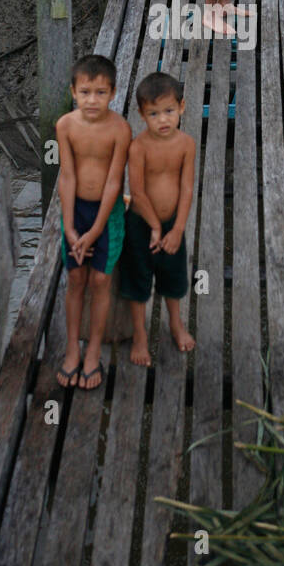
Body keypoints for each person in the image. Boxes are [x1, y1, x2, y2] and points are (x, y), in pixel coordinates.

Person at [55, 54, 131, 390]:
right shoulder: (65, 126)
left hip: (107, 214)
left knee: (100, 280)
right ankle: (73, 347)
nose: (92, 100)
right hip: (75, 210)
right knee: (76, 277)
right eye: (85, 92)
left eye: (100, 93)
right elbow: (67, 176)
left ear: (113, 93)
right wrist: (70, 227)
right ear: (73, 91)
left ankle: (94, 349)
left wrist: (97, 229)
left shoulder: (120, 129)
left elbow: (115, 182)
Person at [118, 71, 196, 366]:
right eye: (153, 113)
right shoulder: (138, 148)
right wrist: (153, 226)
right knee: (138, 281)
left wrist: (177, 229)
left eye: (169, 111)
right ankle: (140, 334)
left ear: (182, 107)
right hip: (140, 225)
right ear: (141, 114)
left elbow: (187, 188)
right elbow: (136, 192)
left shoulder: (186, 144)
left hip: (172, 224)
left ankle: (175, 324)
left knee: (173, 278)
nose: (163, 120)